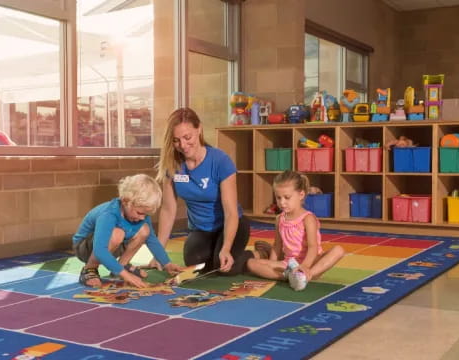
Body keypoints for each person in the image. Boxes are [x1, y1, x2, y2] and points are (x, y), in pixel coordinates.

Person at [148, 107, 266, 275]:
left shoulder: (220, 161)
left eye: (187, 137)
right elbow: (168, 210)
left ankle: (259, 253)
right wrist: (159, 254)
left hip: (231, 224)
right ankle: (220, 256)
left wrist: (225, 249)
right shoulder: (172, 165)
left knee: (224, 265)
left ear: (199, 129)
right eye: (176, 140)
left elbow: (231, 213)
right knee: (195, 265)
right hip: (201, 229)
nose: (182, 145)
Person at [73, 174, 182, 288]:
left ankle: (122, 265)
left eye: (146, 214)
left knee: (145, 230)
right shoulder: (109, 214)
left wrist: (167, 263)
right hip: (86, 248)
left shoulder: (141, 216)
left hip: (111, 246)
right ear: (125, 202)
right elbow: (100, 250)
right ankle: (89, 269)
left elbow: (152, 240)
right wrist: (126, 276)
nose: (142, 217)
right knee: (117, 234)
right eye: (139, 213)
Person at [246, 170, 345, 291]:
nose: (282, 202)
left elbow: (313, 247)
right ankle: (288, 277)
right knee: (251, 263)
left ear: (301, 195)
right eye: (278, 197)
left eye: (287, 197)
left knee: (338, 250)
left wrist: (304, 267)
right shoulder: (279, 219)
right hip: (289, 264)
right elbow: (277, 245)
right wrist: (271, 264)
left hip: (311, 263)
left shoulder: (308, 218)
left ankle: (305, 276)